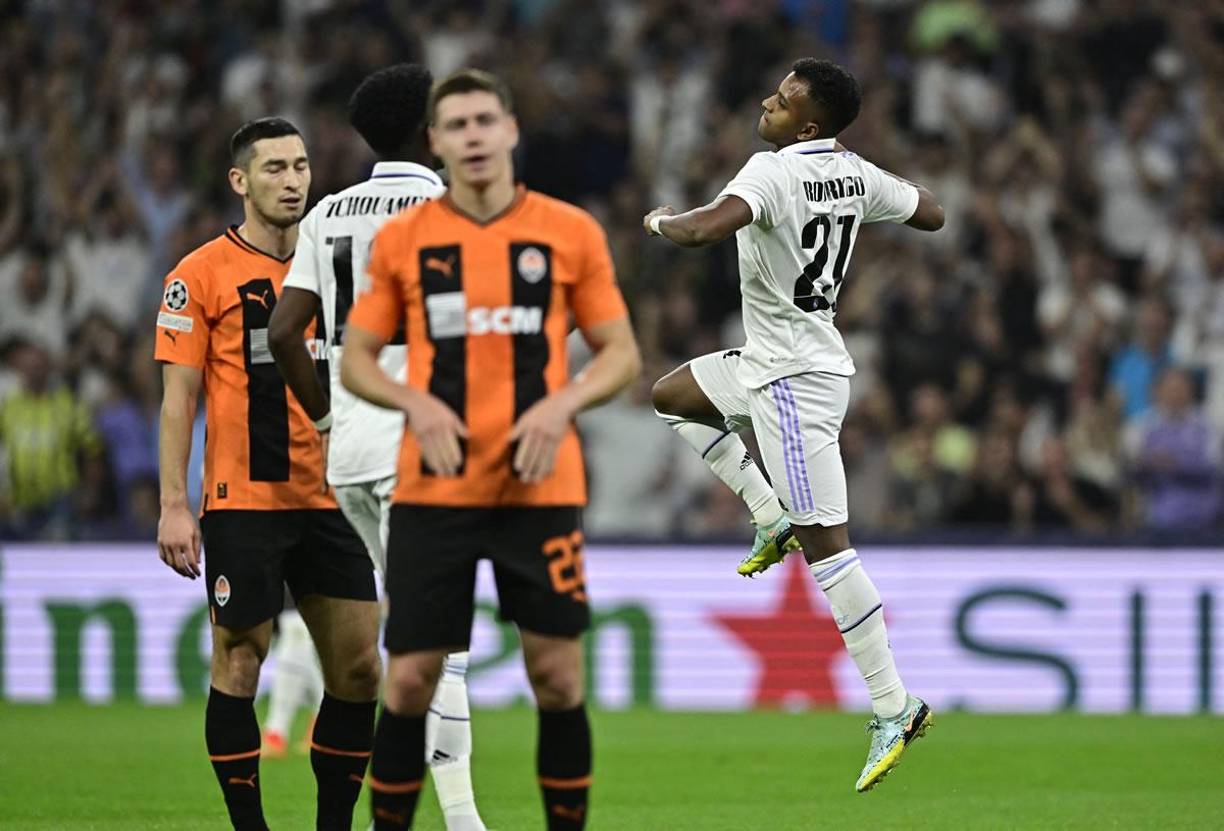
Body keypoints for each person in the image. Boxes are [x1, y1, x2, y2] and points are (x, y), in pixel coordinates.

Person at [340, 68, 640, 830]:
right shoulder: (407, 237)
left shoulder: (568, 231)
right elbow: (358, 358)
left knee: (558, 676)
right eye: (456, 125)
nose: (472, 135)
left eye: (485, 120)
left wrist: (561, 403)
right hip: (434, 488)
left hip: (537, 486)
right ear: (435, 143)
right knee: (408, 679)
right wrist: (413, 400)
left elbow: (619, 354)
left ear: (510, 130)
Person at [644, 59, 944, 792]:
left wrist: (658, 219)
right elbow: (932, 212)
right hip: (773, 361)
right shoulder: (852, 169)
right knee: (671, 395)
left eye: (782, 100)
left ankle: (893, 703)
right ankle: (765, 512)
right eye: (774, 90)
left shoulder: (771, 170)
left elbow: (702, 231)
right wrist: (860, 196)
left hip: (791, 384)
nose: (768, 102)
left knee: (830, 548)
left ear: (806, 125)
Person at [268, 63, 487, 831]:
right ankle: (464, 822)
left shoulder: (328, 212)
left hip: (353, 454)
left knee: (419, 630)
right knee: (441, 638)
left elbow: (283, 332)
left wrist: (328, 422)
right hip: (422, 443)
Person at [154, 117, 381, 831]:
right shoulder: (199, 274)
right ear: (240, 180)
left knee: (359, 671)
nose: (293, 181)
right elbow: (177, 400)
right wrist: (173, 504)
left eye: (302, 166)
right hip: (243, 498)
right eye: (276, 168)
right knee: (242, 663)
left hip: (334, 496)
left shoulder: (339, 264)